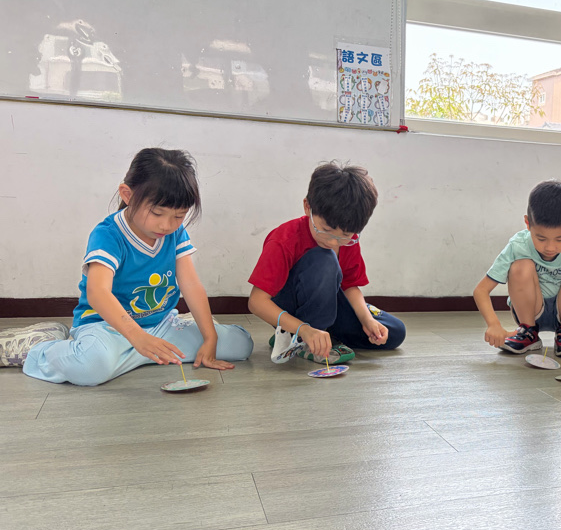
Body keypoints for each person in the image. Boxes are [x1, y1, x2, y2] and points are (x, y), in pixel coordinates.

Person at [8, 148, 253, 386]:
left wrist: (210, 337)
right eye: (157, 213)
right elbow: (97, 292)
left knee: (241, 344)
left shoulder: (175, 234)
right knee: (92, 367)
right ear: (127, 195)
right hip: (108, 327)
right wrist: (138, 338)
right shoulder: (108, 234)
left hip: (161, 326)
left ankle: (139, 355)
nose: (167, 225)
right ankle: (41, 348)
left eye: (179, 216)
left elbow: (191, 285)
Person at [247, 162, 405, 364]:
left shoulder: (349, 240)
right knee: (324, 258)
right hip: (297, 311)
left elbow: (350, 286)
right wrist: (304, 329)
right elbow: (257, 302)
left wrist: (367, 320)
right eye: (326, 230)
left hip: (329, 306)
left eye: (345, 235)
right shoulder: (284, 240)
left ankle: (317, 337)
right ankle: (300, 336)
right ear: (307, 207)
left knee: (394, 331)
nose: (333, 242)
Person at [473, 180, 561, 358]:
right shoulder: (518, 245)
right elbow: (481, 290)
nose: (550, 247)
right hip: (531, 311)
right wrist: (493, 324)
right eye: (541, 238)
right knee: (520, 266)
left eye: (560, 239)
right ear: (527, 223)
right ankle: (528, 333)